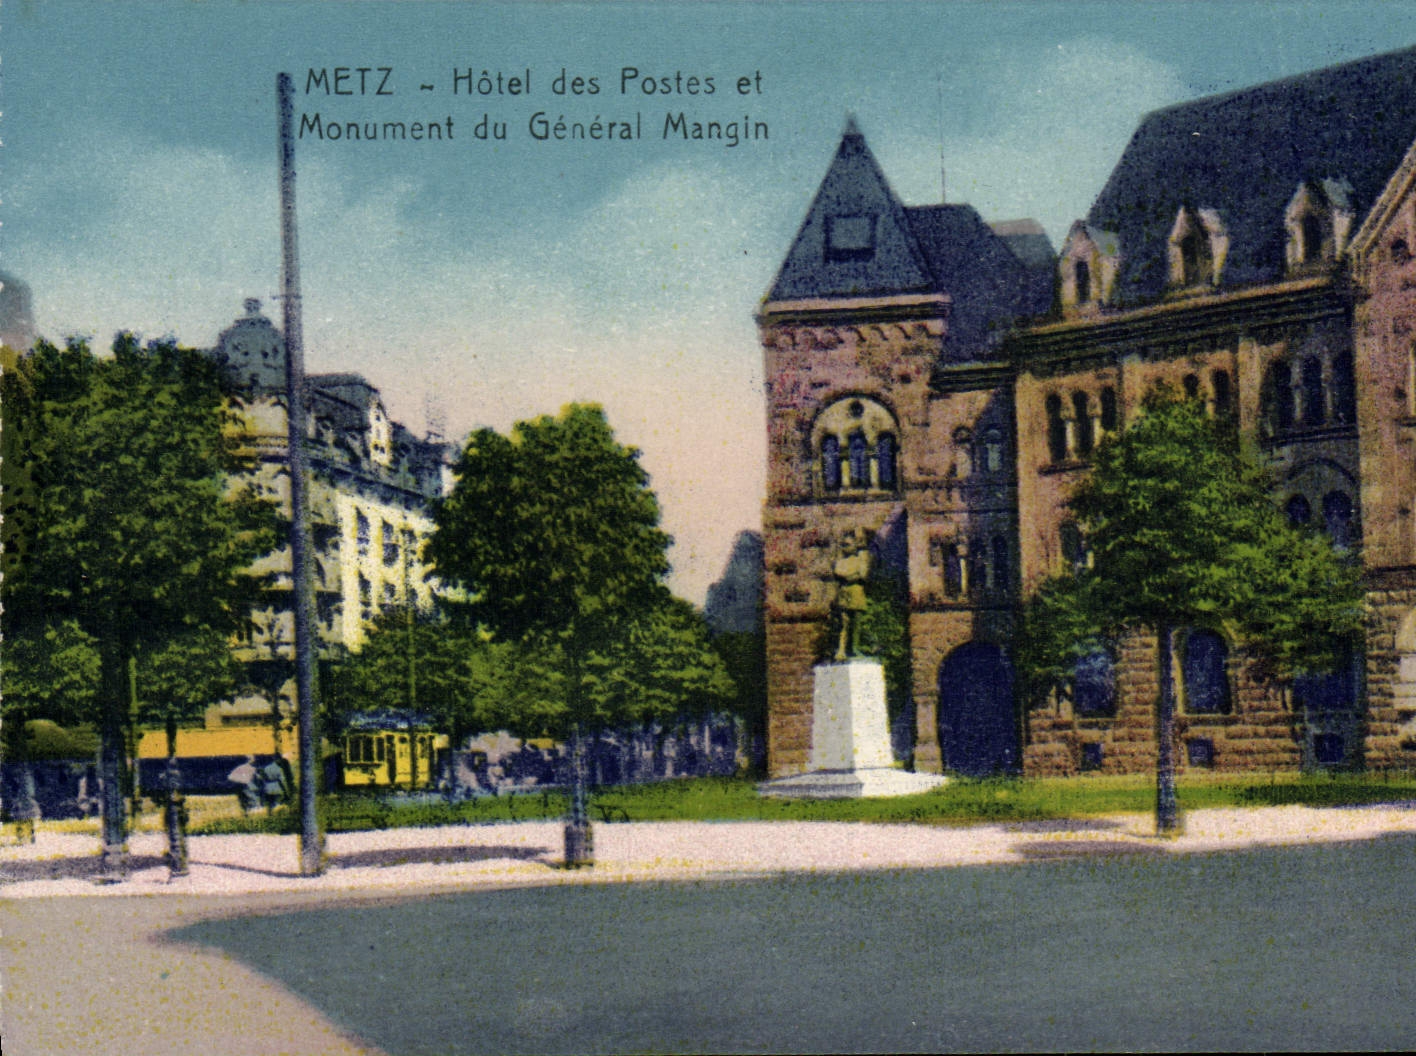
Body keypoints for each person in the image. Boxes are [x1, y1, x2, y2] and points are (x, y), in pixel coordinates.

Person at [832, 527, 872, 660]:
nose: (845, 548)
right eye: (843, 545)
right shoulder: (841, 561)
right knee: (843, 622)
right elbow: (839, 572)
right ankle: (841, 649)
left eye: (848, 545)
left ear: (854, 545)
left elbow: (863, 575)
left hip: (856, 591)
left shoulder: (860, 560)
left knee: (856, 622)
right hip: (844, 593)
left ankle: (854, 648)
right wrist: (852, 575)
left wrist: (851, 576)